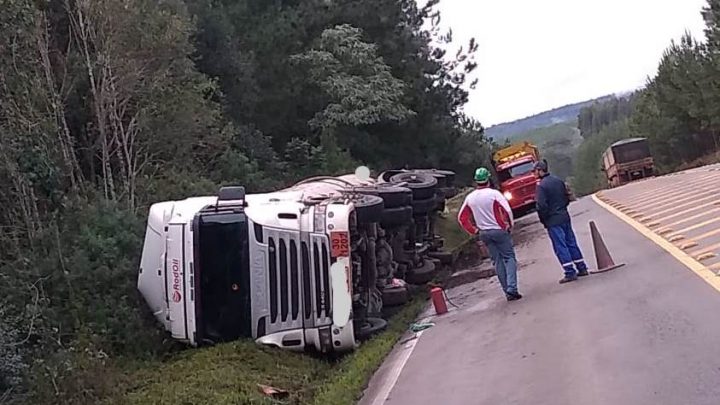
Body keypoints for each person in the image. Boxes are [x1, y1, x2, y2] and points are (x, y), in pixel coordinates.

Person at [458, 167, 522, 301]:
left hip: (484, 233)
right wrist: (509, 225)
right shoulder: (494, 194)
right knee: (509, 258)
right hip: (499, 230)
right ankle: (512, 288)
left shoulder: (470, 198)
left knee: (497, 261)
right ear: (488, 179)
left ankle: (507, 291)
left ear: (476, 181)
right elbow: (507, 210)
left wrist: (474, 230)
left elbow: (462, 218)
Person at [533, 161, 589, 283]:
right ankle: (582, 267)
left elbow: (541, 206)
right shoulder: (558, 181)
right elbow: (567, 197)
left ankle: (569, 272)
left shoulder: (541, 186)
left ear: (539, 170)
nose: (534, 174)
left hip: (553, 220)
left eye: (534, 171)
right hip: (564, 216)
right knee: (571, 242)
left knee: (560, 246)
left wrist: (544, 219)